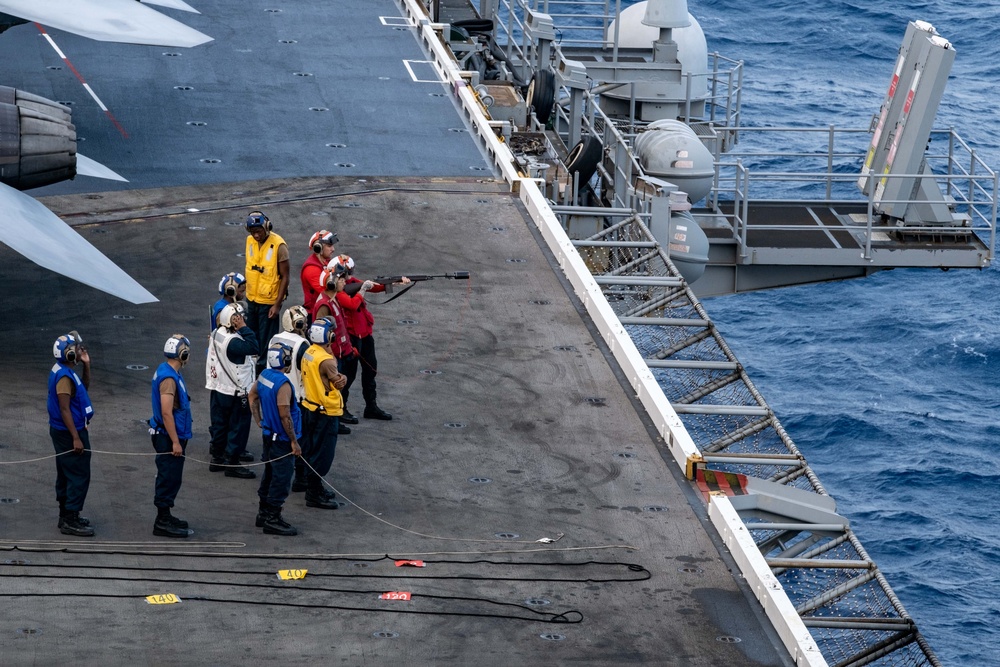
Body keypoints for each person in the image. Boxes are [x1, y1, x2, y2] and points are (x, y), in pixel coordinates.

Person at [334, 255, 409, 421]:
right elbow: (352, 304)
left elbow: (372, 287)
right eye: (347, 273)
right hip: (352, 337)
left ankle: (371, 406)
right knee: (349, 374)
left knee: (370, 370)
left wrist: (392, 284)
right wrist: (362, 290)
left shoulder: (351, 281)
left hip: (365, 334)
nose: (349, 276)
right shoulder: (338, 291)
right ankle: (341, 409)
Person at [249, 341, 303, 535]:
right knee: (281, 479)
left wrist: (259, 420)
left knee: (269, 474)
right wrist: (294, 441)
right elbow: (284, 414)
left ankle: (263, 513)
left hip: (268, 435)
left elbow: (252, 396)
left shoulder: (264, 376)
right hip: (281, 439)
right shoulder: (283, 384)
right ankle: (272, 518)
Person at [47, 332, 95, 537]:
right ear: (67, 353)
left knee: (67, 473)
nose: (79, 350)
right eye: (75, 348)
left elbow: (83, 389)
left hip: (68, 431)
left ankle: (66, 515)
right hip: (68, 433)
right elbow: (64, 408)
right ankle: (70, 519)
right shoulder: (64, 378)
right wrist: (75, 437)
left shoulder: (66, 370)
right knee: (78, 474)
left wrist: (86, 365)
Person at [148, 334, 195, 539]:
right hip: (169, 436)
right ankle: (162, 521)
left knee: (172, 477)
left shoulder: (168, 371)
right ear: (181, 353)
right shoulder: (169, 379)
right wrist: (175, 441)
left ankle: (166, 515)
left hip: (172, 434)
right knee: (168, 476)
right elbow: (167, 412)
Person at [299, 318, 348, 509]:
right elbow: (339, 383)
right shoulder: (327, 360)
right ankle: (313, 493)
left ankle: (315, 487)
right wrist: (341, 376)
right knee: (324, 453)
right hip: (326, 410)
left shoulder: (309, 352)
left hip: (310, 406)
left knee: (313, 449)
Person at [205, 302, 258, 479]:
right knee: (238, 428)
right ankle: (232, 463)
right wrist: (243, 328)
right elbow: (253, 347)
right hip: (236, 392)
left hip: (219, 388)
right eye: (240, 317)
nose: (244, 320)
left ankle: (217, 459)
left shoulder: (216, 333)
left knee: (220, 425)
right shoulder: (234, 342)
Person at [312, 260, 355, 435]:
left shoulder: (332, 300)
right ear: (331, 282)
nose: (345, 281)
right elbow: (320, 333)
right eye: (340, 279)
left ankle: (337, 418)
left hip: (341, 352)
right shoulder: (324, 304)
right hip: (333, 355)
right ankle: (334, 421)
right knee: (333, 388)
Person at [244, 210, 289, 374]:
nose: (256, 235)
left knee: (266, 345)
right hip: (252, 300)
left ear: (267, 227)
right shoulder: (249, 241)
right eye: (253, 232)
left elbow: (285, 276)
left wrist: (277, 305)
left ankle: (263, 375)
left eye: (258, 231)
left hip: (268, 303)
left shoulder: (279, 246)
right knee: (251, 341)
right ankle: (250, 373)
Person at [300, 230, 338, 314]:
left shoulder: (327, 262)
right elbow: (327, 292)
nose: (333, 249)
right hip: (316, 315)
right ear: (319, 248)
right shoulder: (311, 269)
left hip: (325, 311)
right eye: (329, 246)